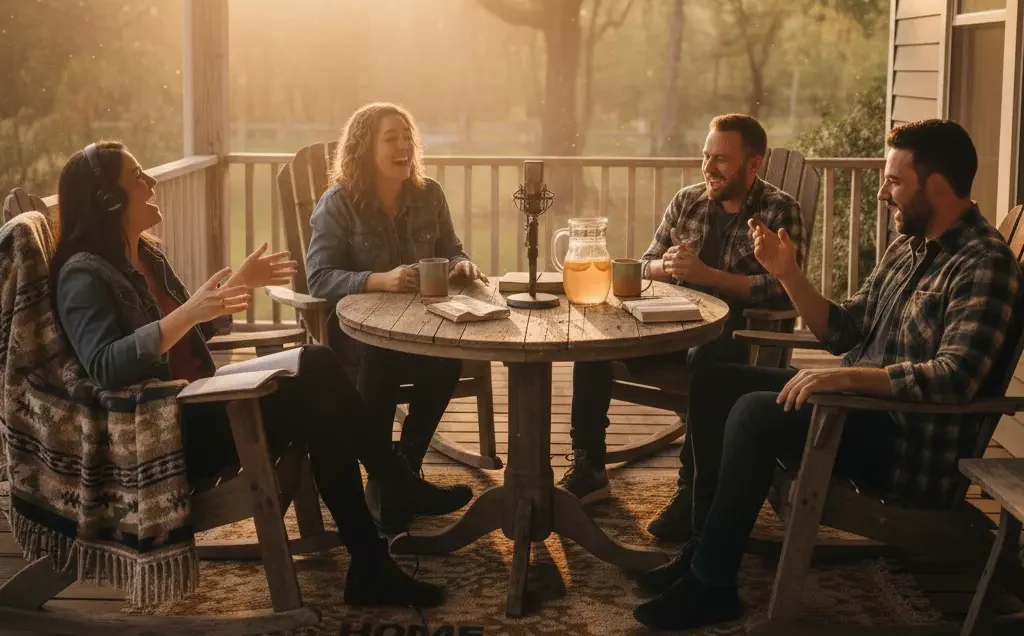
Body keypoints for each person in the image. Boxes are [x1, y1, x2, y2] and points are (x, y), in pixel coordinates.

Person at [633, 119, 1024, 631]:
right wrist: (787, 273)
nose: (883, 193)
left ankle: (712, 587)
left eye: (894, 182)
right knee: (716, 383)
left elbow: (955, 376)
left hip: (903, 439)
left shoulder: (984, 265)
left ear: (937, 186)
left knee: (753, 412)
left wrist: (842, 381)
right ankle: (703, 552)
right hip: (855, 410)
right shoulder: (909, 248)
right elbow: (842, 331)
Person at [52, 141, 471, 609]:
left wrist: (236, 288)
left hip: (202, 400)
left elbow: (189, 334)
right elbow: (107, 366)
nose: (151, 183)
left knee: (319, 389)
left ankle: (372, 556)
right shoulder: (82, 275)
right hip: (165, 430)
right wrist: (189, 312)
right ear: (109, 200)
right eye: (138, 177)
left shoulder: (144, 256)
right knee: (317, 373)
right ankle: (394, 488)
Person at [560, 114, 804, 539]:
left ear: (753, 166)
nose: (709, 168)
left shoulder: (779, 211)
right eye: (706, 156)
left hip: (736, 338)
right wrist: (666, 266)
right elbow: (646, 262)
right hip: (670, 324)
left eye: (722, 160)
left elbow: (781, 290)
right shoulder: (688, 200)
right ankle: (590, 467)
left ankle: (692, 488)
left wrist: (709, 276)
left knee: (712, 351)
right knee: (592, 339)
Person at [306, 102, 486, 532]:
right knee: (381, 359)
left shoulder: (430, 194)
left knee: (446, 361)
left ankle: (401, 474)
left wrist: (461, 264)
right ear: (365, 148)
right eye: (391, 138)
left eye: (407, 136)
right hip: (359, 334)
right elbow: (318, 278)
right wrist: (377, 280)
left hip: (423, 326)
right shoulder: (339, 204)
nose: (404, 145)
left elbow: (452, 248)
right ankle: (394, 480)